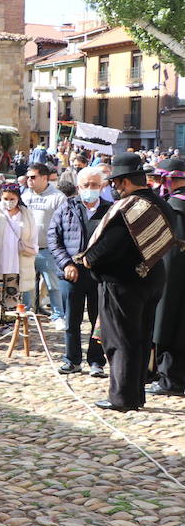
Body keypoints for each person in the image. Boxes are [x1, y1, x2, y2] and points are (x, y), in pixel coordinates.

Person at [76, 153, 174, 412]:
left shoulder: (131, 207)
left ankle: (122, 398)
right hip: (152, 277)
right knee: (141, 338)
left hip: (123, 282)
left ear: (125, 183)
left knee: (120, 341)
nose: (114, 189)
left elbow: (110, 246)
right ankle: (136, 394)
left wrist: (88, 260)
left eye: (115, 183)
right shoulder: (162, 203)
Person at [49, 167, 111, 376]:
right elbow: (53, 238)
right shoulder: (66, 207)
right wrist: (67, 264)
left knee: (98, 320)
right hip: (71, 273)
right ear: (78, 187)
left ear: (101, 186)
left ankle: (96, 360)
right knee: (71, 320)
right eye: (86, 185)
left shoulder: (110, 210)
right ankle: (72, 359)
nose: (90, 189)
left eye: (94, 185)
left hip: (98, 274)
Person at [149, 158, 185, 397]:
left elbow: (170, 252)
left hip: (173, 278)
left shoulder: (174, 207)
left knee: (168, 324)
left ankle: (170, 380)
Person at [0, 183, 36, 337]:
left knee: (12, 295)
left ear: (18, 198)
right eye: (5, 198)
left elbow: (33, 236)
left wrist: (31, 249)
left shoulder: (26, 214)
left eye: (12, 198)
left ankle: (8, 325)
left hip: (17, 261)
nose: (8, 201)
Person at [22, 162, 68, 327]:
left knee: (52, 285)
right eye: (28, 177)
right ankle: (27, 313)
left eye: (33, 177)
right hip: (27, 249)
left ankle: (58, 315)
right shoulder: (25, 195)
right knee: (27, 285)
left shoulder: (57, 197)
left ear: (44, 177)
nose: (29, 181)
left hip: (48, 249)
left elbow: (63, 224)